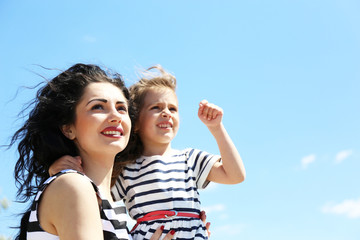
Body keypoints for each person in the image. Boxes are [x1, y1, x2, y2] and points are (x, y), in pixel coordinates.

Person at [50, 65, 244, 239]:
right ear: (136, 123)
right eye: (156, 107)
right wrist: (59, 171)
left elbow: (235, 175)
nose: (166, 113)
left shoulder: (189, 159)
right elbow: (91, 196)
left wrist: (216, 128)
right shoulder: (126, 170)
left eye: (173, 109)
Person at [10, 63, 176, 240]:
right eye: (97, 107)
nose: (115, 116)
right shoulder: (74, 185)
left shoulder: (112, 204)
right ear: (68, 129)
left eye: (121, 108)